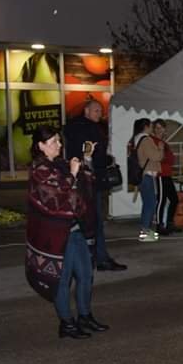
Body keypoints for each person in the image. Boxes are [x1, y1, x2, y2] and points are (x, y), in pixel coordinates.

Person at [25, 125, 108, 339]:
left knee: (86, 275)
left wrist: (86, 159)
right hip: (56, 234)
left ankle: (84, 316)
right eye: (53, 142)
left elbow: (86, 181)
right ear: (40, 146)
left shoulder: (59, 164)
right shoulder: (38, 169)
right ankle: (67, 323)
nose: (59, 145)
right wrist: (72, 173)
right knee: (62, 281)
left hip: (75, 229)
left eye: (58, 141)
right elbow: (57, 196)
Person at [63, 99, 126, 271]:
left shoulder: (73, 128)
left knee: (83, 221)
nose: (100, 113)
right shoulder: (89, 129)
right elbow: (93, 155)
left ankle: (86, 258)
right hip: (90, 180)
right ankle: (99, 258)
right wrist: (107, 160)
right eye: (97, 110)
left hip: (78, 179)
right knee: (94, 220)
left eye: (101, 110)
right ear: (87, 111)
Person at [135, 119, 163, 242]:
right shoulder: (146, 140)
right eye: (151, 126)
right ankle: (145, 232)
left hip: (142, 174)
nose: (153, 128)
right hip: (147, 175)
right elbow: (155, 156)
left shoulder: (136, 139)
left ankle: (145, 230)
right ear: (146, 126)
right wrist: (160, 148)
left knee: (147, 203)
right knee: (150, 203)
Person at [152, 120, 180, 236]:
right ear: (154, 129)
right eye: (157, 128)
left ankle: (169, 223)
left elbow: (170, 159)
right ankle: (159, 225)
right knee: (162, 200)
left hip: (167, 174)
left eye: (161, 128)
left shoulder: (163, 142)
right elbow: (159, 158)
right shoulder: (154, 141)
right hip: (160, 174)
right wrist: (163, 153)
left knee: (174, 199)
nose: (159, 130)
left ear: (164, 129)